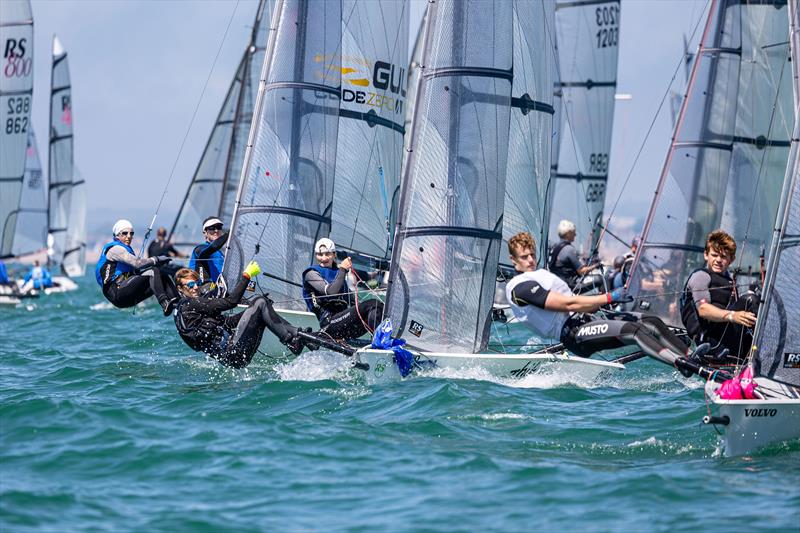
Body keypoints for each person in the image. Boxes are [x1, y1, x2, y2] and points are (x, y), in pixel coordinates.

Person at [505, 231, 709, 364]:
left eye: (532, 254)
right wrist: (608, 297)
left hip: (586, 322)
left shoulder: (539, 275)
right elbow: (567, 303)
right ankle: (683, 365)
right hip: (574, 334)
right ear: (513, 261)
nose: (531, 260)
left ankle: (693, 358)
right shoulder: (519, 287)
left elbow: (579, 305)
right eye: (524, 257)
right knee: (634, 330)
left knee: (651, 321)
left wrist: (603, 301)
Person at [172, 263, 311, 368]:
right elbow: (231, 302)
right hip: (234, 353)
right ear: (179, 289)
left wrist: (253, 310)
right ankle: (291, 341)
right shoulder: (190, 304)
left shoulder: (183, 310)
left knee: (260, 304)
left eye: (196, 283)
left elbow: (228, 322)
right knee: (260, 302)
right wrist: (246, 276)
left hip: (232, 357)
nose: (195, 287)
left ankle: (298, 335)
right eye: (190, 285)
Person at [680, 229, 757, 362]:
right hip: (710, 343)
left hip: (726, 339)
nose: (718, 260)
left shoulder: (729, 280)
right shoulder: (701, 276)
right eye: (714, 255)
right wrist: (733, 316)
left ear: (731, 259)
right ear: (706, 255)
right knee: (750, 300)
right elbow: (703, 310)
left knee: (757, 301)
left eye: (723, 257)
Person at [302, 237, 383, 340]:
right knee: (372, 304)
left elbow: (354, 304)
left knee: (378, 307)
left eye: (327, 254)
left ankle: (379, 342)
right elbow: (331, 292)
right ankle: (379, 341)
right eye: (319, 254)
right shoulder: (311, 273)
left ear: (334, 254)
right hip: (330, 324)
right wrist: (343, 269)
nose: (323, 258)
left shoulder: (338, 273)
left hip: (346, 325)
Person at [95, 219, 179, 313]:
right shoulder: (115, 249)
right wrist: (156, 259)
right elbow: (137, 263)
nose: (129, 236)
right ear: (117, 235)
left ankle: (179, 304)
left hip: (127, 295)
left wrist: (158, 262)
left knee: (162, 275)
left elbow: (136, 272)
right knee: (153, 271)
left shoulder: (126, 250)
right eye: (125, 233)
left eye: (131, 233)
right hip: (117, 292)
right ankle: (164, 303)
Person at [548, 219, 601, 289]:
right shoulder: (569, 249)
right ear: (568, 233)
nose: (575, 235)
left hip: (557, 284)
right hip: (571, 285)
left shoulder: (554, 247)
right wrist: (595, 266)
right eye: (573, 232)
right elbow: (582, 272)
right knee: (600, 279)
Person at [189, 217, 228, 287]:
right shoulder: (199, 249)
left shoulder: (221, 253)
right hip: (201, 292)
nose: (216, 230)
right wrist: (229, 234)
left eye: (219, 227)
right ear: (205, 233)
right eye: (212, 228)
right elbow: (213, 247)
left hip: (218, 290)